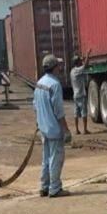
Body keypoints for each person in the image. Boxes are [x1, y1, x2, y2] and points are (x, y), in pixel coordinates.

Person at [34, 54, 72, 198]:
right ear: (54, 68)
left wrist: (38, 122)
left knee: (46, 159)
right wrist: (66, 130)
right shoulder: (55, 85)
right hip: (54, 129)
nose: (59, 68)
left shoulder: (39, 83)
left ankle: (44, 187)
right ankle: (55, 188)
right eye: (58, 65)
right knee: (56, 159)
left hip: (43, 128)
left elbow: (35, 106)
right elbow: (59, 111)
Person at [70, 50, 92, 135]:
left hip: (75, 94)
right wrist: (87, 55)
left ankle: (76, 130)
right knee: (84, 112)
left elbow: (82, 66)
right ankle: (85, 130)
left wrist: (83, 59)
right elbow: (85, 65)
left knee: (76, 113)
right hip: (81, 94)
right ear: (78, 62)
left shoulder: (72, 71)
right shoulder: (77, 70)